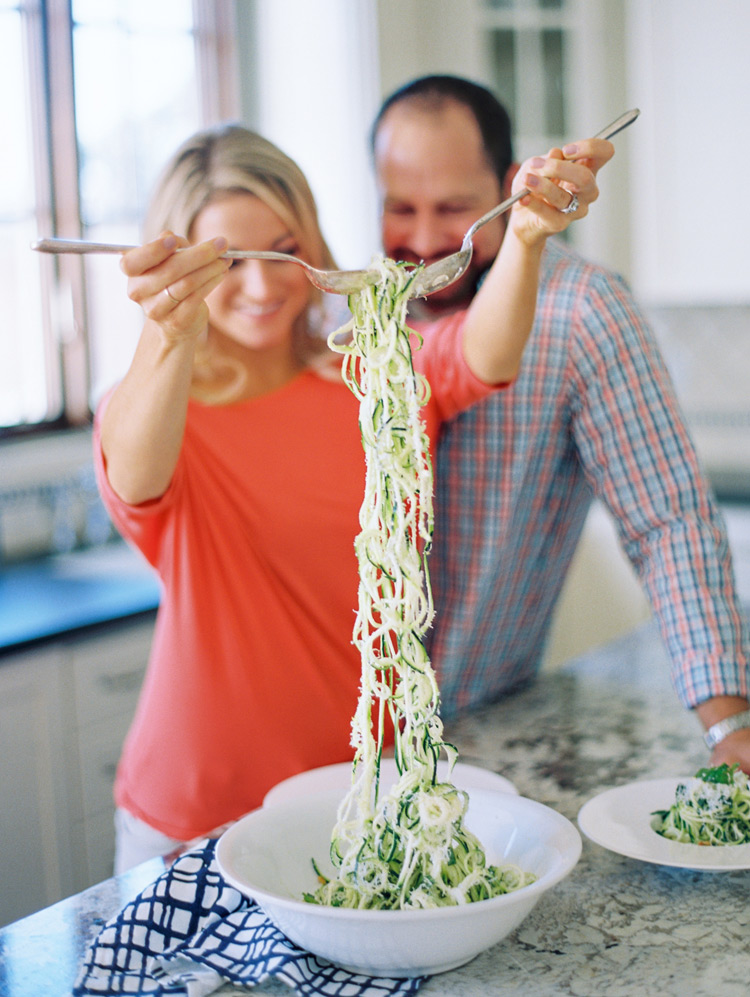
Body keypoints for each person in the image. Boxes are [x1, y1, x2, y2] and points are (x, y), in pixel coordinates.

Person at [94, 123, 609, 871]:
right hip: (196, 813)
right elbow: (135, 476)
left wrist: (526, 236)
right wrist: (167, 335)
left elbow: (485, 352)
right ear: (182, 263)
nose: (264, 285)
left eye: (283, 249)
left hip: (366, 795)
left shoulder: (372, 372)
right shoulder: (152, 405)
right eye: (229, 259)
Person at [370, 74, 750, 771]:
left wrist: (728, 722)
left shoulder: (582, 312)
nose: (424, 239)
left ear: (509, 187)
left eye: (454, 208)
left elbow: (668, 522)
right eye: (400, 207)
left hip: (478, 738)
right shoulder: (351, 322)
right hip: (328, 747)